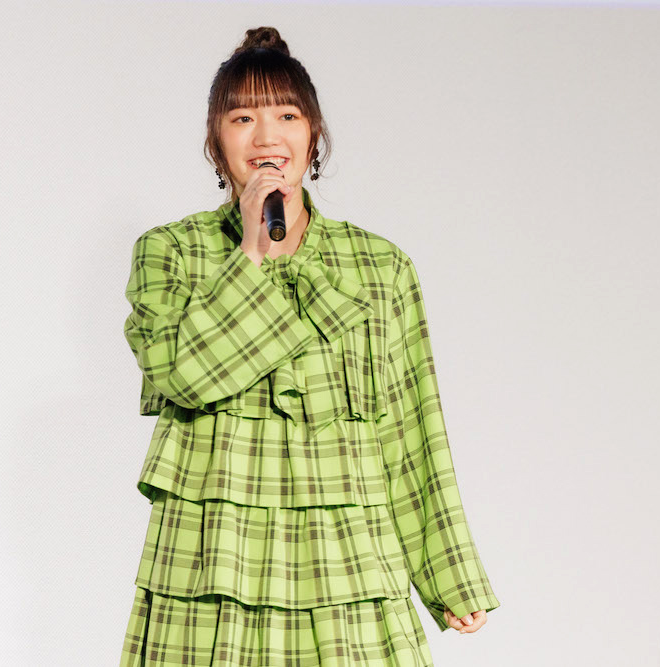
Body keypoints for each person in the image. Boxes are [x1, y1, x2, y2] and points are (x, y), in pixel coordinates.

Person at [119, 26, 500, 666]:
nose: (266, 137)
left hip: (348, 567)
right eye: (243, 118)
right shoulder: (171, 252)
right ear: (216, 141)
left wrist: (447, 575)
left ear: (313, 133)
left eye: (287, 116)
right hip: (213, 569)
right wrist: (250, 253)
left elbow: (413, 432)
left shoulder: (380, 267)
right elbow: (181, 373)